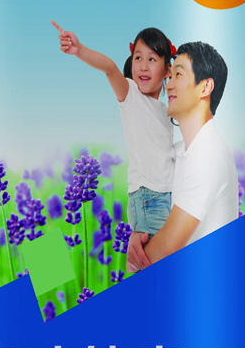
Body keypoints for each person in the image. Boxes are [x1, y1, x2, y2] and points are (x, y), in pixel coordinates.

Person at [51, 21, 176, 238]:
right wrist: (79, 50)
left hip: (166, 197)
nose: (143, 66)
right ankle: (38, 255)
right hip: (147, 197)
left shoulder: (166, 111)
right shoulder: (131, 95)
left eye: (152, 59)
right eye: (138, 58)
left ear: (167, 70)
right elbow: (109, 67)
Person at [126, 41, 239, 271]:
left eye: (178, 74)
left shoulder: (209, 154)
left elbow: (164, 250)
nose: (168, 85)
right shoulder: (177, 153)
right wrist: (136, 236)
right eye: (170, 76)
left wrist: (135, 251)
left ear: (205, 88)